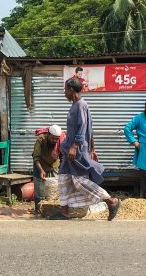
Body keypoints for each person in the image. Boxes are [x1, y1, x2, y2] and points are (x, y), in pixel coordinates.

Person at [49, 77, 120, 220]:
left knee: (79, 181)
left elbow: (83, 127)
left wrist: (75, 146)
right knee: (64, 178)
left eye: (65, 89)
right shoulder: (75, 106)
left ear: (70, 90)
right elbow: (90, 129)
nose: (64, 93)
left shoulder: (81, 105)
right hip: (69, 149)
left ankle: (111, 201)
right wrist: (92, 148)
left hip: (76, 150)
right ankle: (64, 211)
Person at [32, 124, 65, 214]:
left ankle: (54, 209)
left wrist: (62, 169)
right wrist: (41, 170)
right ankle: (38, 209)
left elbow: (62, 156)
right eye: (53, 138)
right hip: (40, 165)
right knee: (39, 189)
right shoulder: (41, 140)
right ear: (48, 135)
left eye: (56, 139)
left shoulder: (61, 140)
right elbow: (36, 157)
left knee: (55, 188)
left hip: (54, 165)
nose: (55, 141)